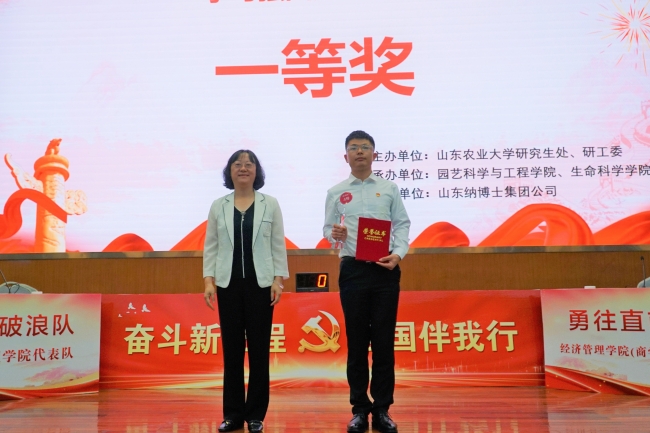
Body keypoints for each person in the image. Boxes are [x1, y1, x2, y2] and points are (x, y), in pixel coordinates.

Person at [323, 131, 410, 433]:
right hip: (353, 271)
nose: (359, 151)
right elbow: (327, 230)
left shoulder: (389, 188)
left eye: (365, 147)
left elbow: (402, 224)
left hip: (385, 269)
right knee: (357, 342)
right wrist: (334, 235)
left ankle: (382, 409)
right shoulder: (336, 192)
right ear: (345, 156)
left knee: (384, 343)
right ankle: (359, 409)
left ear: (374, 154)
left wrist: (398, 254)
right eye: (354, 148)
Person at [203, 149, 289, 433]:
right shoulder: (219, 205)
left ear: (256, 171)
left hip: (260, 286)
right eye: (237, 164)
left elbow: (278, 244)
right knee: (232, 352)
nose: (243, 168)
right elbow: (211, 245)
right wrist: (209, 280)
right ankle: (232, 415)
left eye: (248, 164)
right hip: (228, 285)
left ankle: (255, 415)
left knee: (259, 352)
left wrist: (278, 280)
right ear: (229, 171)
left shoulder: (270, 204)